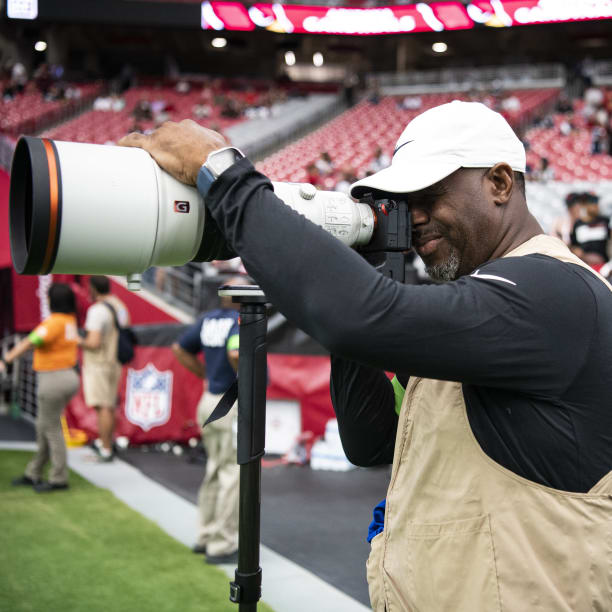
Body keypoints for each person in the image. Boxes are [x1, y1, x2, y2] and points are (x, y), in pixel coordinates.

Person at [119, 102, 612, 610]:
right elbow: (368, 441)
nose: (413, 217)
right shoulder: (491, 309)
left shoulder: (552, 289)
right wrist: (365, 256)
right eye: (402, 201)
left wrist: (224, 175)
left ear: (501, 183)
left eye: (429, 195)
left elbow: (360, 316)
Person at [171, 278, 241, 565]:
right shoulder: (240, 321)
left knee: (214, 469)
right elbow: (236, 353)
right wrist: (246, 380)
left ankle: (205, 535)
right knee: (232, 474)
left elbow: (178, 349)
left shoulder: (208, 319)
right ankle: (222, 545)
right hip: (230, 401)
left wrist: (204, 374)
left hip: (209, 399)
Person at [2, 284, 80, 492]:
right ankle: (34, 472)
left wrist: (6, 359)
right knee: (44, 426)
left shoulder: (54, 322)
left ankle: (58, 478)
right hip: (67, 375)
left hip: (53, 378)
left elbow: (30, 341)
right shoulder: (69, 321)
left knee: (50, 429)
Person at [79, 276, 130, 462]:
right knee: (108, 406)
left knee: (103, 407)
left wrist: (75, 339)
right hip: (114, 361)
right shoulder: (120, 305)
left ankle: (105, 449)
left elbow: (93, 342)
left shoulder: (97, 310)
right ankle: (107, 444)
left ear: (93, 288)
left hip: (99, 363)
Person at [570, 191, 610, 269]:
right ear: (584, 204)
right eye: (592, 201)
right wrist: (583, 255)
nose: (595, 204)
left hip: (604, 267)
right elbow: (573, 246)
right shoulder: (578, 224)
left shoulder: (605, 221)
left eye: (596, 201)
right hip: (585, 267)